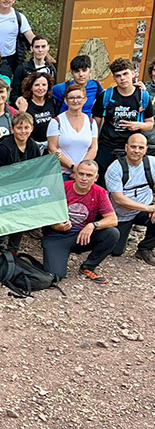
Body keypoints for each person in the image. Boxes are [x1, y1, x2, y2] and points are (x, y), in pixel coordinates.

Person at [0, 111, 43, 268]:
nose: (23, 131)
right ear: (12, 129)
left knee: (19, 221)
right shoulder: (4, 147)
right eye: (19, 128)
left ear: (32, 128)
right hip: (3, 190)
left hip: (23, 192)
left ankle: (12, 252)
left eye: (26, 127)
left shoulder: (33, 146)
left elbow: (37, 169)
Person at [41, 160, 119, 283]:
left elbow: (113, 219)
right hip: (56, 237)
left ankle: (88, 267)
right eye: (81, 174)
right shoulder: (61, 188)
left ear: (96, 178)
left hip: (80, 235)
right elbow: (43, 213)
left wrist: (93, 225)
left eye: (89, 175)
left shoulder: (99, 192)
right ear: (75, 174)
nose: (84, 178)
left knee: (112, 233)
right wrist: (55, 225)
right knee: (55, 276)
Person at [92, 58, 154, 180]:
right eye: (118, 76)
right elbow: (96, 123)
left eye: (125, 74)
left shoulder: (143, 96)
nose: (122, 78)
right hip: (107, 146)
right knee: (103, 181)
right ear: (114, 78)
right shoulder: (106, 96)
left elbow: (150, 123)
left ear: (133, 73)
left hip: (131, 148)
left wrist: (138, 125)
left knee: (127, 181)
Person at [104, 133, 155, 266]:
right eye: (133, 147)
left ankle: (145, 249)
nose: (136, 151)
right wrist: (149, 208)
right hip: (120, 215)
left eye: (140, 147)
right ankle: (122, 235)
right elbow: (119, 199)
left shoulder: (152, 163)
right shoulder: (115, 168)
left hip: (143, 209)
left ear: (146, 149)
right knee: (116, 251)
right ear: (126, 147)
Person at [47, 84, 99, 180]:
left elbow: (93, 148)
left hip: (85, 175)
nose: (75, 101)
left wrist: (81, 169)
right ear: (66, 101)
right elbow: (52, 148)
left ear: (85, 100)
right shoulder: (56, 122)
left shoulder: (91, 122)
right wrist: (73, 167)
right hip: (62, 173)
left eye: (79, 97)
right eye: (71, 98)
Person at [10, 35, 56, 103]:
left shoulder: (51, 69)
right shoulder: (22, 68)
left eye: (43, 46)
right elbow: (14, 94)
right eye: (37, 47)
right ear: (31, 48)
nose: (40, 50)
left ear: (48, 48)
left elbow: (53, 91)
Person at [14, 72, 58, 143]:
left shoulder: (53, 101)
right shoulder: (24, 103)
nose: (41, 88)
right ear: (31, 87)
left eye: (44, 85)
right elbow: (18, 125)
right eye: (37, 85)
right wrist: (21, 111)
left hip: (51, 143)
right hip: (32, 144)